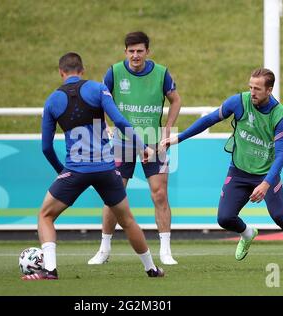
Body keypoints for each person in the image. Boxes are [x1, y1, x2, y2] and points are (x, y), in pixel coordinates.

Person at [159, 68, 283, 271]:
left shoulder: (280, 116)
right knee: (224, 218)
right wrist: (177, 138)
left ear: (269, 90)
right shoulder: (239, 102)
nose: (252, 92)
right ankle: (247, 233)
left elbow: (281, 155)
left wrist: (266, 183)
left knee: (279, 215)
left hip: (266, 174)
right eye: (250, 87)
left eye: (258, 89)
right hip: (239, 171)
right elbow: (208, 120)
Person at [21, 52, 164, 280]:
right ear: (83, 70)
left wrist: (62, 172)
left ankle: (50, 270)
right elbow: (119, 121)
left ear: (61, 72)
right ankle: (151, 269)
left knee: (45, 216)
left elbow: (46, 148)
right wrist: (142, 147)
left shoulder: (52, 100)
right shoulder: (98, 89)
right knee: (127, 221)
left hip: (75, 170)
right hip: (106, 169)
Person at [88, 31, 182, 266]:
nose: (135, 55)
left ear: (147, 52)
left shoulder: (161, 73)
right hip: (122, 142)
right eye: (131, 51)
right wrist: (106, 126)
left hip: (153, 140)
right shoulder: (114, 72)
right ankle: (104, 249)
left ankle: (165, 251)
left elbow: (176, 100)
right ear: (125, 52)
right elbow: (99, 99)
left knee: (160, 194)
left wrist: (168, 127)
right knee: (113, 196)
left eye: (140, 50)